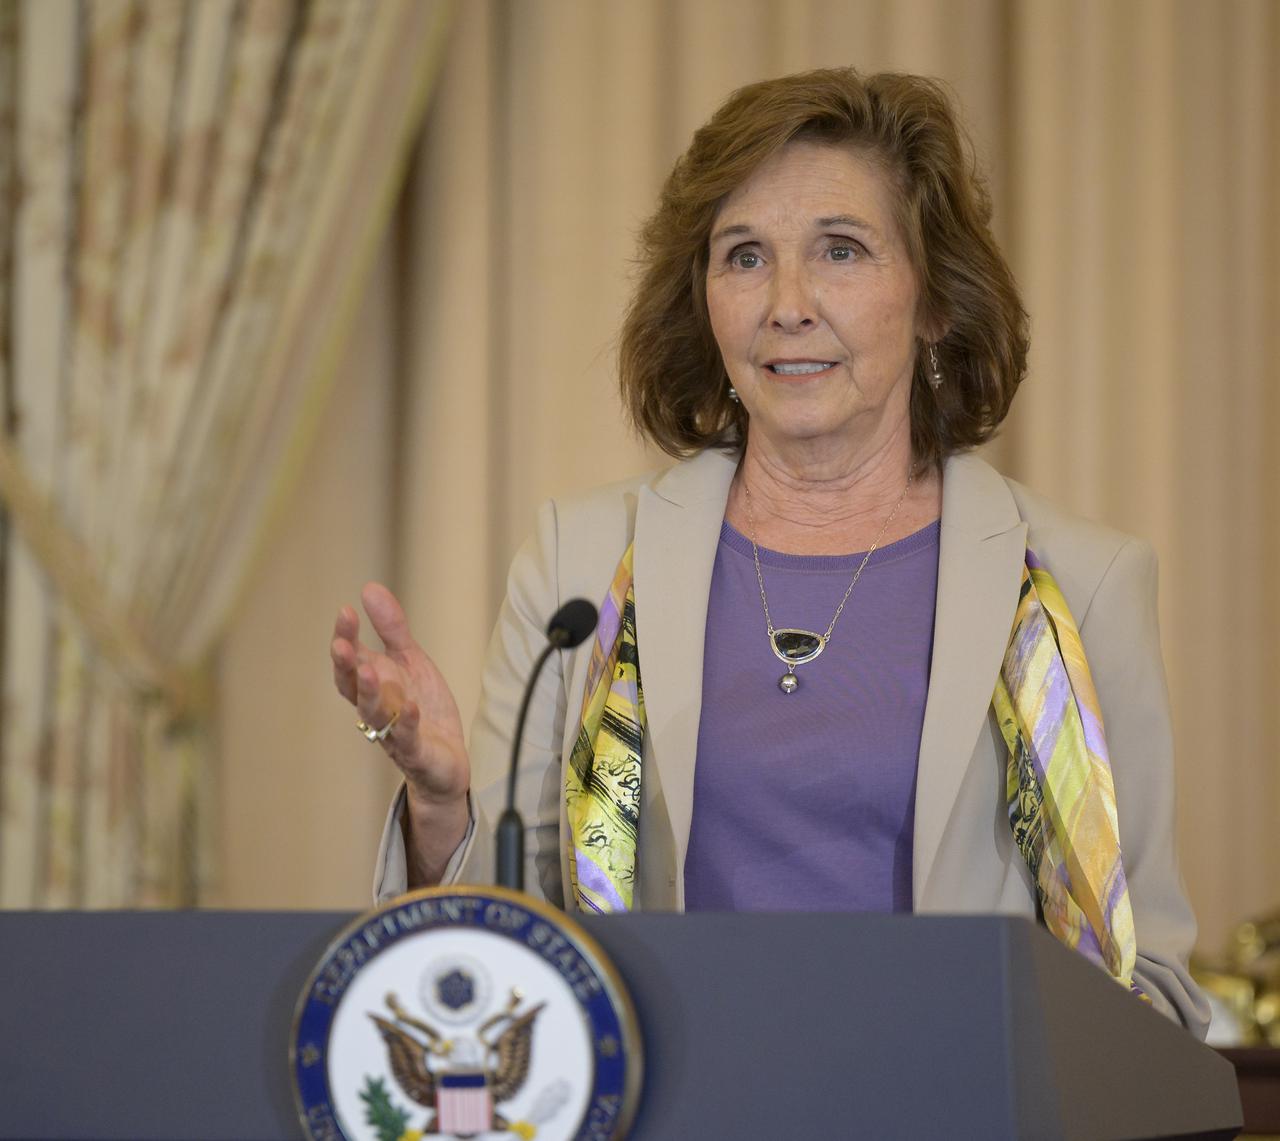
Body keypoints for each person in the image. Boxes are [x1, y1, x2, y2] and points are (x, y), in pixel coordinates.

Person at [330, 68, 1208, 1035]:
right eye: (744, 257)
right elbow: (500, 953)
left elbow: (1150, 980)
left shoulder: (1084, 585)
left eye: (840, 251)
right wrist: (441, 802)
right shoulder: (580, 565)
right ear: (702, 299)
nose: (787, 303)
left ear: (935, 301)